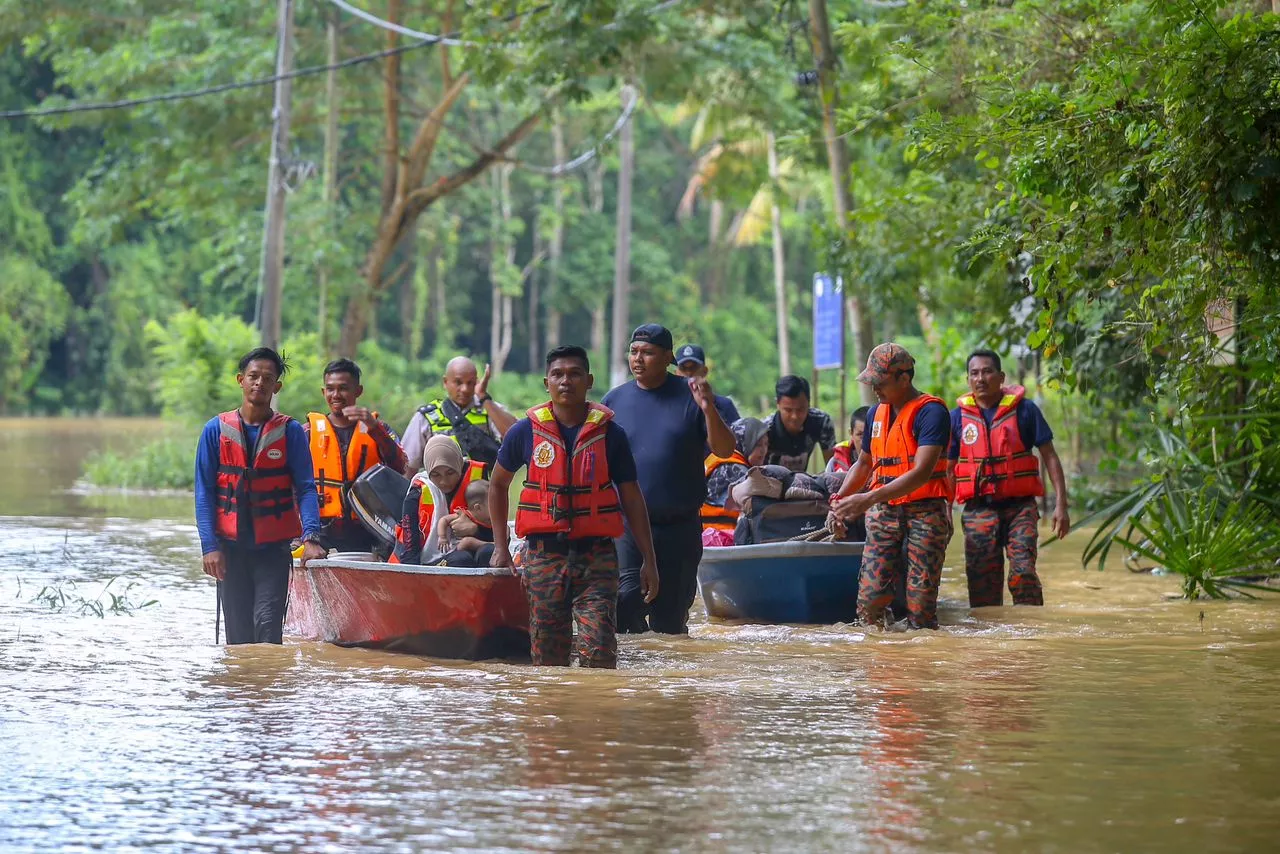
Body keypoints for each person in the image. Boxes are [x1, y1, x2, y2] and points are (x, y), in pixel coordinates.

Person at [490, 345, 659, 667]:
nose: (565, 381)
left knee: (599, 651)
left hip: (597, 558)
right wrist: (500, 546)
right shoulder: (523, 433)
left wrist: (648, 560)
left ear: (589, 380)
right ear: (546, 383)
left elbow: (632, 498)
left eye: (574, 374)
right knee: (548, 656)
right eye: (558, 374)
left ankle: (595, 716)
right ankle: (555, 716)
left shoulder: (611, 435)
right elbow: (497, 484)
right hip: (543, 556)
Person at [603, 324, 735, 634]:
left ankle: (668, 680)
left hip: (679, 526)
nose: (638, 359)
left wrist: (708, 409)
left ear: (667, 357)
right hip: (627, 526)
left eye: (647, 353)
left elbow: (726, 449)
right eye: (634, 352)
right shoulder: (613, 402)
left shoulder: (691, 397)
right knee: (626, 601)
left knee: (670, 619)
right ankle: (631, 680)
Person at [195, 347, 325, 644]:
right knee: (238, 637)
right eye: (253, 376)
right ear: (241, 380)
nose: (259, 383)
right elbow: (204, 493)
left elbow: (305, 488)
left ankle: (268, 689)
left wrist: (311, 538)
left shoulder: (290, 432)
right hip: (231, 549)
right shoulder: (214, 431)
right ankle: (242, 690)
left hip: (273, 550)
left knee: (267, 628)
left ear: (276, 386)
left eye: (268, 378)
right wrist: (209, 547)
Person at [831, 343, 953, 629]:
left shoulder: (931, 413)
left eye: (880, 382)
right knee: (869, 602)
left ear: (904, 378)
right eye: (872, 383)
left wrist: (868, 498)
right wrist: (838, 500)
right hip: (884, 512)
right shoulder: (876, 414)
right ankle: (879, 660)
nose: (875, 389)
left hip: (925, 512)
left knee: (921, 608)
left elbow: (922, 472)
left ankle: (916, 665)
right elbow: (863, 464)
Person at [950, 350, 1071, 607]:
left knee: (1023, 574)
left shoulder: (1025, 410)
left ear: (1001, 376)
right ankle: (990, 643)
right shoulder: (957, 418)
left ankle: (1029, 635)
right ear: (968, 379)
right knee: (982, 589)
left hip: (1020, 508)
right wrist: (942, 510)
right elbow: (948, 468)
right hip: (977, 509)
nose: (980, 378)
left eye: (987, 371)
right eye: (974, 373)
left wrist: (1061, 504)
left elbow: (1049, 456)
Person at [304, 358, 408, 555]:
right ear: (323, 391)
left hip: (370, 531)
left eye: (343, 388)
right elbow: (294, 483)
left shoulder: (378, 429)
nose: (336, 395)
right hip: (323, 532)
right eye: (330, 388)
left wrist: (375, 429)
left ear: (358, 391)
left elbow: (400, 465)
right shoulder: (308, 432)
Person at [402, 357, 517, 469]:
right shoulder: (426, 417)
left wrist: (483, 397)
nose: (465, 389)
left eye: (470, 383)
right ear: (445, 382)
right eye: (458, 382)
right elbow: (408, 466)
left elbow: (517, 438)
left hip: (484, 487)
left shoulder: (490, 410)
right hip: (439, 487)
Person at [391, 435, 487, 565]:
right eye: (435, 475)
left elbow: (498, 532)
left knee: (488, 552)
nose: (444, 481)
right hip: (433, 559)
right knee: (462, 560)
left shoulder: (478, 481)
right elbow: (410, 547)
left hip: (474, 548)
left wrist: (477, 530)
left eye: (450, 473)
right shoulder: (416, 494)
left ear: (459, 465)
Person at [701, 417, 769, 537]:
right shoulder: (733, 469)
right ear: (742, 441)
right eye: (758, 445)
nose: (763, 450)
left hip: (709, 537)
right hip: (719, 540)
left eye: (766, 444)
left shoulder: (721, 458)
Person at [763, 375, 837, 472]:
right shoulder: (764, 429)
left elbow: (833, 467)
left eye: (801, 409)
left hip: (803, 483)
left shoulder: (821, 422)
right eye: (788, 410)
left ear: (809, 403)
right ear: (778, 404)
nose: (795, 416)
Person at [675, 343, 741, 427]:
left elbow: (739, 437)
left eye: (694, 367)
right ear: (676, 373)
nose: (689, 373)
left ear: (704, 371)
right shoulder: (668, 405)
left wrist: (711, 407)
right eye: (683, 368)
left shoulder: (724, 405)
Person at [434, 480, 496, 567]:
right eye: (494, 505)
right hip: (459, 550)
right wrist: (442, 537)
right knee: (468, 543)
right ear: (478, 507)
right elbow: (443, 520)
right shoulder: (464, 515)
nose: (498, 507)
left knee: (471, 543)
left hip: (479, 550)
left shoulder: (490, 519)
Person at [828, 406, 870, 473]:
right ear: (851, 433)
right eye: (860, 435)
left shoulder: (887, 460)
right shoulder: (835, 462)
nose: (865, 441)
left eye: (870, 435)